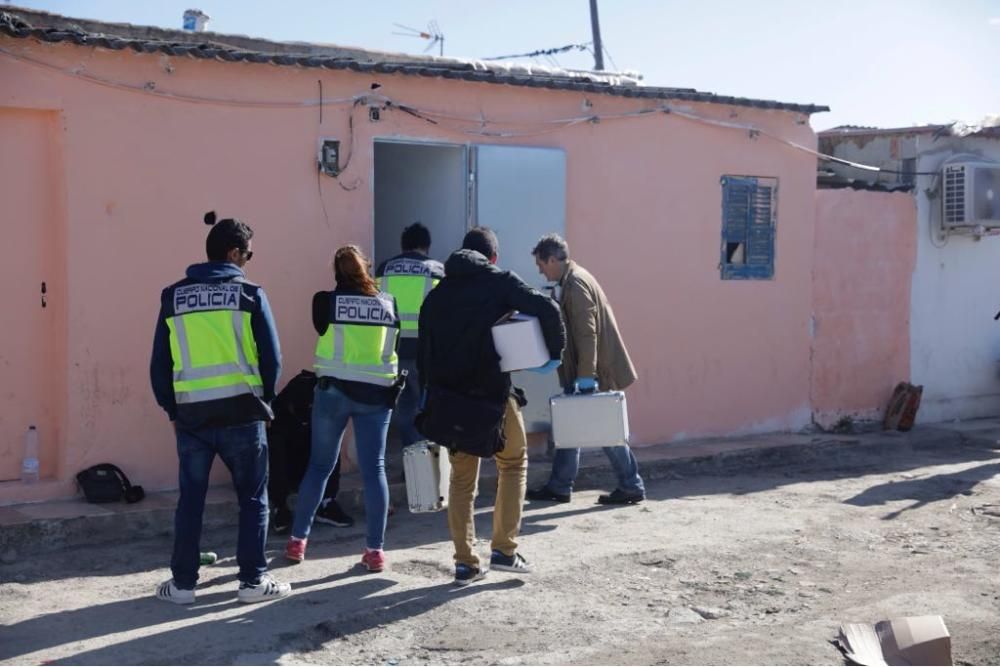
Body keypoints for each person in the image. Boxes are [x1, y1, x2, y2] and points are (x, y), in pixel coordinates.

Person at [150, 211, 290, 604]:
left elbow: (160, 362)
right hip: (243, 415)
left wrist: (171, 409)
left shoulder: (173, 296)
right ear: (233, 253)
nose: (249, 261)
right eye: (248, 254)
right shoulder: (250, 295)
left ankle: (182, 586)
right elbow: (272, 359)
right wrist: (266, 400)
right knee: (252, 499)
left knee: (190, 500)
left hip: (192, 416)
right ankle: (251, 583)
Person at [418, 227, 565, 585]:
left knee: (461, 481)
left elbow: (424, 355)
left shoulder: (437, 295)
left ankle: (465, 563)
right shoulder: (499, 282)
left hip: (451, 402)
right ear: (493, 257)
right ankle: (504, 550)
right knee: (513, 463)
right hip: (492, 398)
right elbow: (547, 306)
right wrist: (553, 354)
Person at [285, 245, 401, 573]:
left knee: (320, 466)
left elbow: (322, 327)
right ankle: (375, 551)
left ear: (336, 273)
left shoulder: (325, 302)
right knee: (373, 469)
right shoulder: (389, 304)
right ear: (366, 268)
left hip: (332, 393)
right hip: (376, 396)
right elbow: (394, 345)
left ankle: (297, 542)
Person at [526, 233, 646, 505]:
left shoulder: (576, 284)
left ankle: (631, 484)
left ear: (553, 259)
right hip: (586, 370)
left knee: (604, 430)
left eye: (541, 265)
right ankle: (560, 485)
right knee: (572, 427)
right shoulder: (572, 279)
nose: (540, 271)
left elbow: (587, 334)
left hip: (591, 373)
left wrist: (585, 376)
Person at [375, 222, 445, 451]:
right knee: (430, 409)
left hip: (392, 350)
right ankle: (426, 467)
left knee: (404, 408)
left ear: (403, 246)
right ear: (427, 246)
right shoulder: (437, 271)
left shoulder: (384, 269)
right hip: (426, 353)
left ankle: (412, 460)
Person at [268, 370, 354, 534]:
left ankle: (327, 503)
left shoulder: (329, 397)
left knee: (331, 439)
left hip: (311, 466)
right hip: (289, 468)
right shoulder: (287, 406)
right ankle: (280, 507)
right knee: (275, 444)